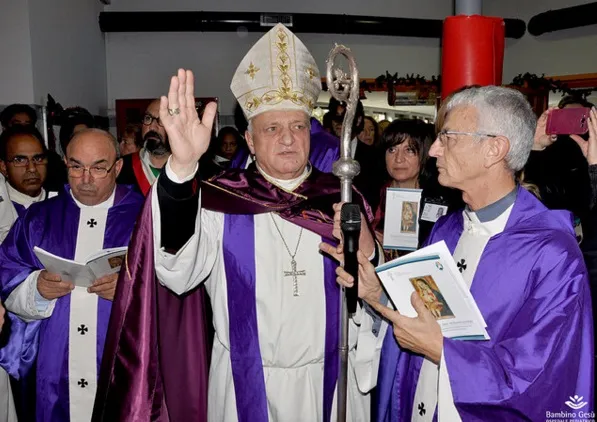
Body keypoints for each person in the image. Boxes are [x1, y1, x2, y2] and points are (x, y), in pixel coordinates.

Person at [94, 24, 383, 422]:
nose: (287, 139)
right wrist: (180, 169)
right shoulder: (221, 200)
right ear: (249, 139)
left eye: (298, 126)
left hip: (330, 384)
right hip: (242, 383)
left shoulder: (340, 196)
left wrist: (367, 248)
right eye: (272, 128)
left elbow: (374, 287)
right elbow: (176, 271)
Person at [329, 86, 594, 421]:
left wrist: (443, 351)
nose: (435, 150)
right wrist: (377, 294)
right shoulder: (448, 228)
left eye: (448, 137)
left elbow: (543, 376)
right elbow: (428, 316)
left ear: (494, 149)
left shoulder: (552, 253)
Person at [0, 129, 143, 422]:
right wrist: (36, 289)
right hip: (54, 371)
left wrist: (132, 288)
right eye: (76, 166)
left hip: (123, 365)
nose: (86, 178)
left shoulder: (145, 217)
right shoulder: (37, 218)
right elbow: (7, 274)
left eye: (98, 167)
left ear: (117, 167)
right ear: (65, 163)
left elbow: (177, 286)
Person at [0, 126, 57, 217]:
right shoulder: (3, 211)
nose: (32, 168)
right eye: (20, 160)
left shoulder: (64, 203)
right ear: (3, 167)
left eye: (38, 159)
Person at [117, 99, 170, 195]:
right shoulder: (123, 168)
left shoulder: (193, 169)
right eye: (148, 118)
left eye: (162, 120)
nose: (152, 127)